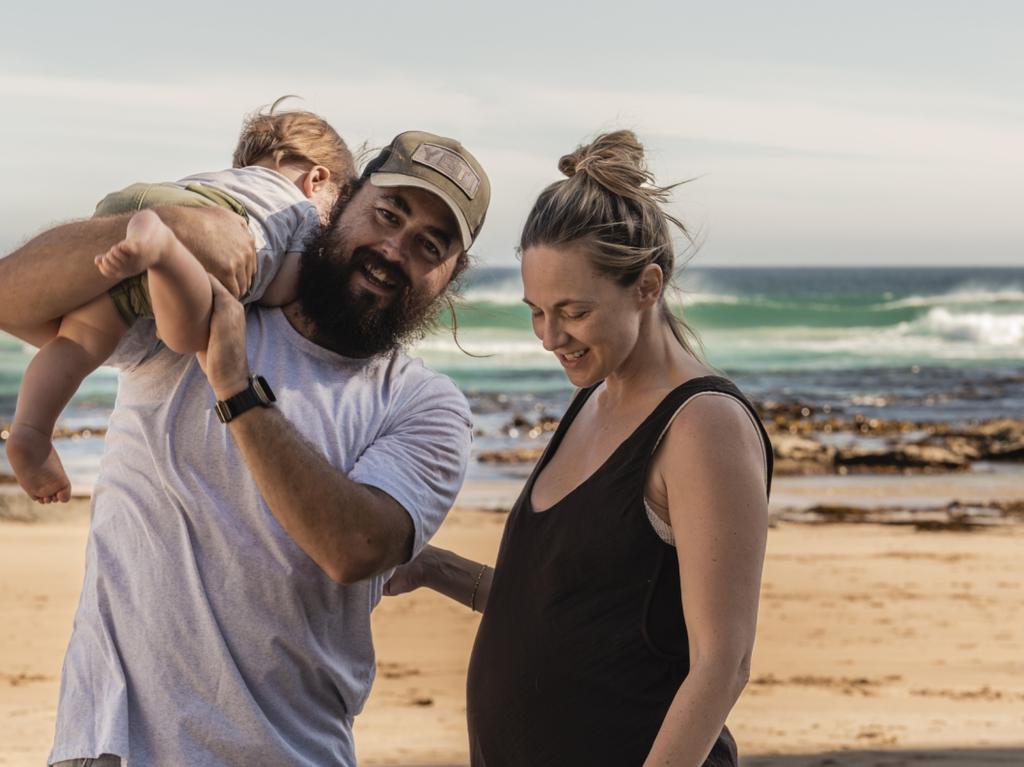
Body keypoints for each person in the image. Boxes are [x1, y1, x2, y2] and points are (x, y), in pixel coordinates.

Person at [0, 129, 490, 766]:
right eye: (388, 213)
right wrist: (176, 226)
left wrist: (235, 385)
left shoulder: (425, 405)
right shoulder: (207, 299)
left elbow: (355, 547)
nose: (394, 250)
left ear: (451, 277)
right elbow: (13, 295)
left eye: (431, 245)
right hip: (116, 746)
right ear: (341, 204)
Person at [385, 130, 773, 766]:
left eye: (573, 311)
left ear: (647, 287)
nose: (549, 337)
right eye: (536, 311)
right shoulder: (592, 399)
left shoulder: (703, 426)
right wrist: (434, 567)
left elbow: (723, 664)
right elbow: (569, 609)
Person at [6, 97, 353, 503]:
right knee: (186, 334)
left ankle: (31, 430)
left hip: (141, 201)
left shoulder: (220, 177)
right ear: (317, 179)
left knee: (78, 340)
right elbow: (280, 289)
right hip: (204, 225)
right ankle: (162, 252)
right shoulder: (301, 209)